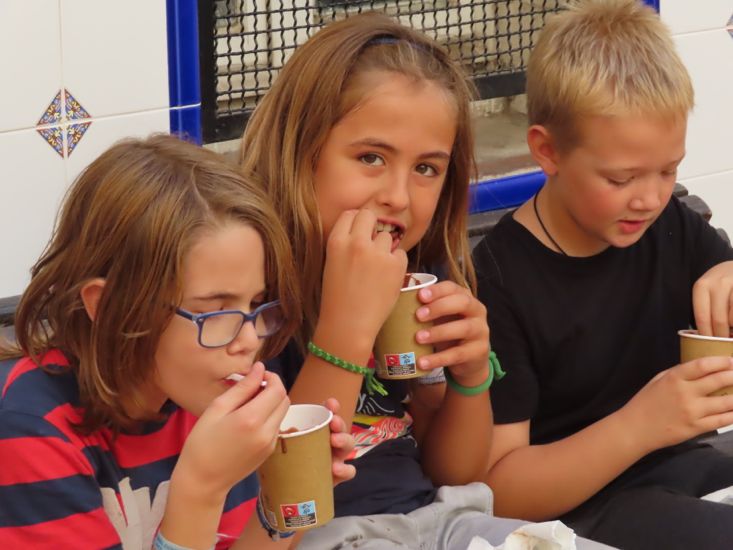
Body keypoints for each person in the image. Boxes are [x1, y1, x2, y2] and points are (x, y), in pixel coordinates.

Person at [241, 12, 612, 550]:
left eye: (426, 169)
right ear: (300, 151)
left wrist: (470, 378)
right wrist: (348, 328)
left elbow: (455, 473)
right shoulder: (247, 292)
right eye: (371, 157)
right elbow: (288, 499)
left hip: (436, 521)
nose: (398, 196)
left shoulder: (416, 270)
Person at [0, 134, 355, 549]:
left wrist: (285, 496)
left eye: (257, 305)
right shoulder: (31, 430)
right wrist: (200, 489)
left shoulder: (200, 401)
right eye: (214, 312)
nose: (248, 340)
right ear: (111, 308)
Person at [473, 1, 733, 548]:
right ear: (547, 151)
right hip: (578, 511)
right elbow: (498, 491)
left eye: (669, 170)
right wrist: (641, 425)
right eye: (621, 178)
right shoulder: (498, 281)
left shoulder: (671, 225)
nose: (650, 198)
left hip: (688, 471)